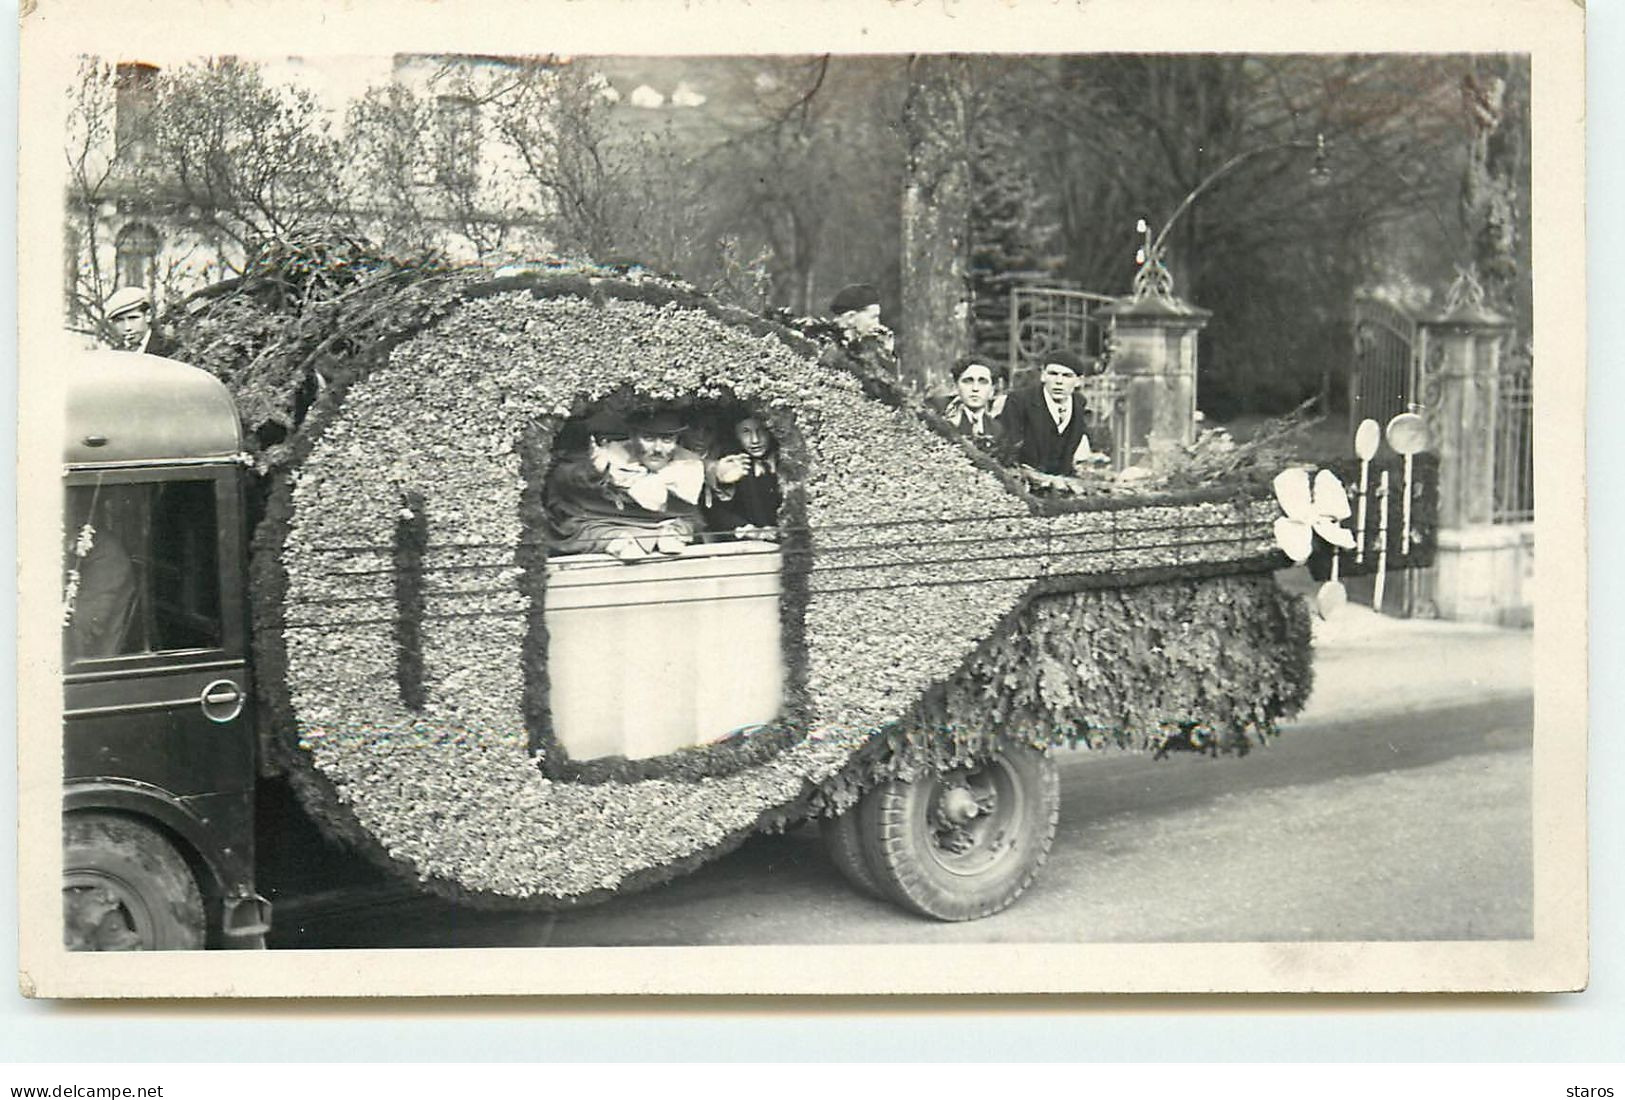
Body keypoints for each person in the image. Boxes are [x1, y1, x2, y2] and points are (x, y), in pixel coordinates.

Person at [544, 408, 718, 561]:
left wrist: (717, 472)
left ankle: (672, 535)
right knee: (581, 530)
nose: (658, 449)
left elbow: (693, 512)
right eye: (648, 438)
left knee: (690, 523)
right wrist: (596, 472)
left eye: (666, 440)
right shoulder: (610, 456)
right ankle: (615, 540)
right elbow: (566, 479)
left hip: (665, 524)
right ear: (633, 436)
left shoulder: (686, 463)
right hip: (608, 523)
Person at [998, 350, 1111, 477]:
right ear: (1043, 376)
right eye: (1053, 374)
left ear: (1079, 381)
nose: (1059, 381)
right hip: (1023, 482)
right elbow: (1009, 450)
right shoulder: (1019, 402)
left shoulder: (1079, 404)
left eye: (1067, 376)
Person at [705, 415, 782, 539]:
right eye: (746, 432)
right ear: (736, 435)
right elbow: (718, 511)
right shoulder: (733, 465)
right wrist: (747, 529)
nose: (755, 440)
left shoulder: (787, 462)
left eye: (761, 430)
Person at [932, 355, 1009, 453]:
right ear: (956, 387)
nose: (975, 388)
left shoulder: (997, 430)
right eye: (968, 381)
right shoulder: (938, 413)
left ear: (992, 391)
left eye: (983, 382)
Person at [101, 286, 175, 357]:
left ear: (148, 316)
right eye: (120, 321)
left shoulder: (171, 350)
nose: (127, 327)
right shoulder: (115, 356)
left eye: (133, 318)